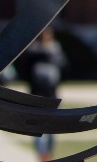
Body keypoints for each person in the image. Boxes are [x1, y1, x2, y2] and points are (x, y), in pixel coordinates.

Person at [25, 28, 66, 162]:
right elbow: (27, 72)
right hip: (37, 95)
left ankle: (47, 155)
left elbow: (63, 67)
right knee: (39, 130)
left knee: (51, 130)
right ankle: (42, 156)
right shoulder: (33, 52)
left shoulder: (55, 51)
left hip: (51, 95)